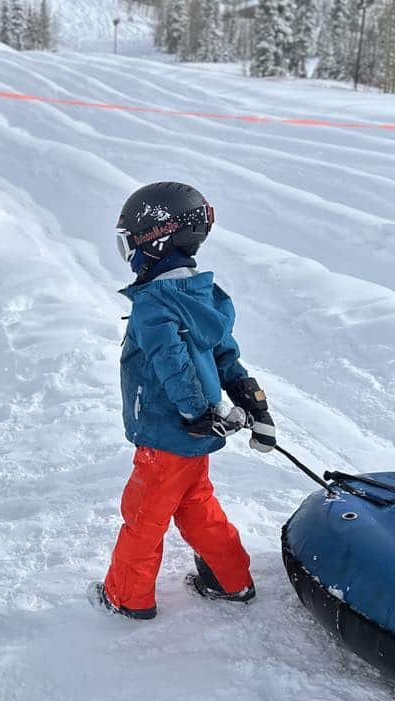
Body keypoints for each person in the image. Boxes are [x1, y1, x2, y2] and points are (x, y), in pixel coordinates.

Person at [90, 182, 277, 620]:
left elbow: (173, 364)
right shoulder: (203, 294)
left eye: (130, 242)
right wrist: (249, 397)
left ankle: (126, 597)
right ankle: (230, 578)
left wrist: (197, 412)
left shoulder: (154, 304)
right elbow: (224, 353)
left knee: (145, 518)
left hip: (165, 434)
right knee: (197, 506)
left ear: (154, 240)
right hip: (193, 440)